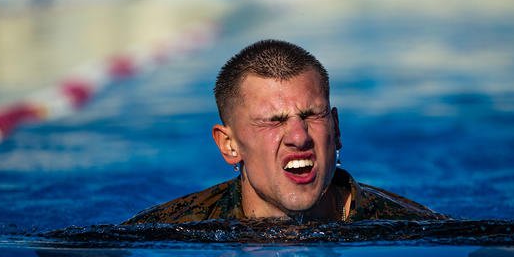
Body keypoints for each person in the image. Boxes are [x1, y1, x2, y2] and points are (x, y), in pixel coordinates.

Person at [124, 39, 445, 224]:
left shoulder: (405, 224)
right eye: (273, 120)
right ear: (229, 145)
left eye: (311, 115)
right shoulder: (181, 225)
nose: (299, 136)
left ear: (335, 128)